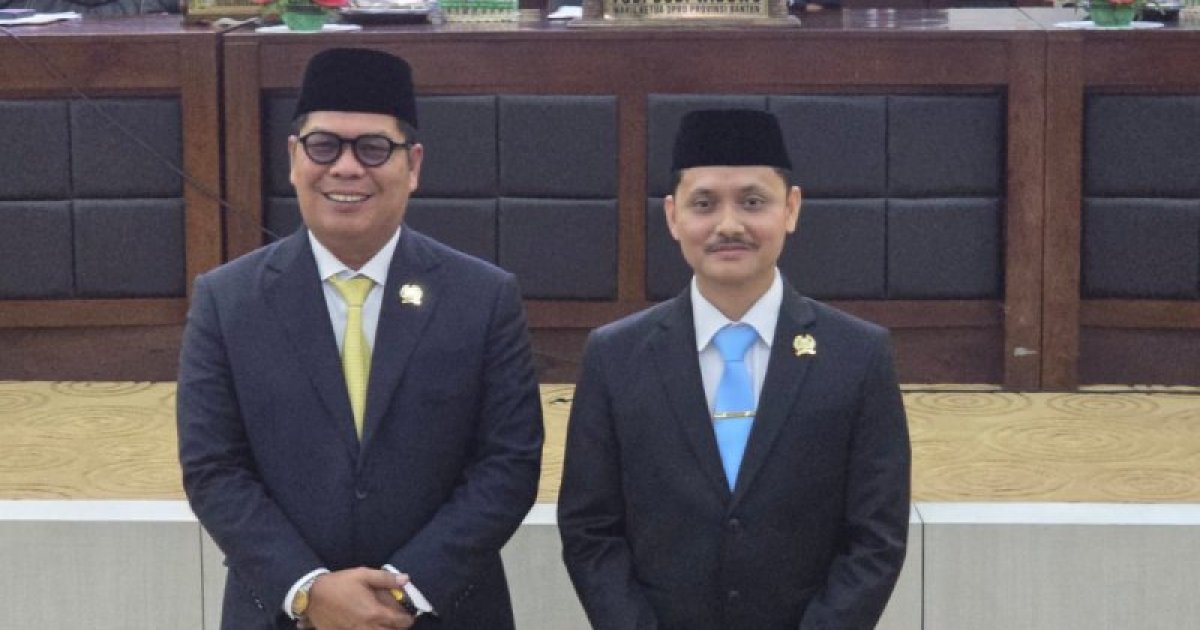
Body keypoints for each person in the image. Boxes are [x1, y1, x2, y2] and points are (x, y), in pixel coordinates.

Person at [177, 47, 544, 630]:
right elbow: (213, 467)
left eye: (373, 148)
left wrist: (403, 593)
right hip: (285, 615)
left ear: (413, 165)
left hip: (441, 612)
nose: (346, 169)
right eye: (324, 146)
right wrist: (309, 591)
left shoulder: (483, 298)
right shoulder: (228, 301)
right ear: (293, 158)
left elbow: (509, 463)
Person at [558, 109, 910, 630]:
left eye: (752, 202)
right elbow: (590, 529)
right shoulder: (616, 356)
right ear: (673, 216)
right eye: (704, 204)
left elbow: (876, 537)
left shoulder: (857, 355)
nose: (728, 225)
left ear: (791, 209)